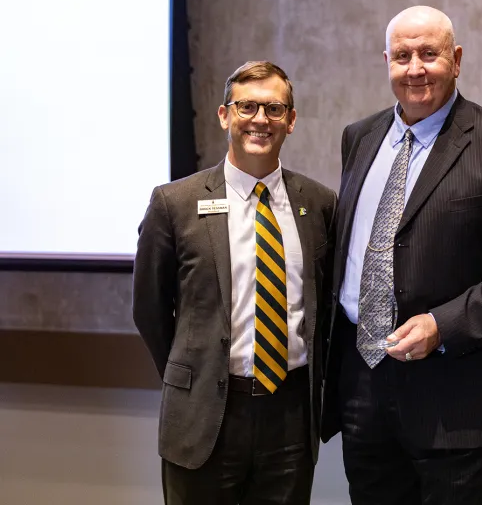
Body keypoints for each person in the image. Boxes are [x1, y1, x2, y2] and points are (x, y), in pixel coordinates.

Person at [321, 6, 482, 504]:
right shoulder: (359, 138)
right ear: (386, 61)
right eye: (403, 56)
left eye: (429, 54)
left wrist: (442, 326)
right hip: (365, 391)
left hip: (461, 406)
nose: (415, 69)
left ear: (456, 60)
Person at [133, 61, 336, 505]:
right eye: (247, 106)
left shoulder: (319, 205)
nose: (260, 119)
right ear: (225, 115)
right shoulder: (176, 203)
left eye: (274, 108)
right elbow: (148, 308)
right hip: (205, 415)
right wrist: (190, 374)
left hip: (290, 416)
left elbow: (327, 307)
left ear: (291, 121)